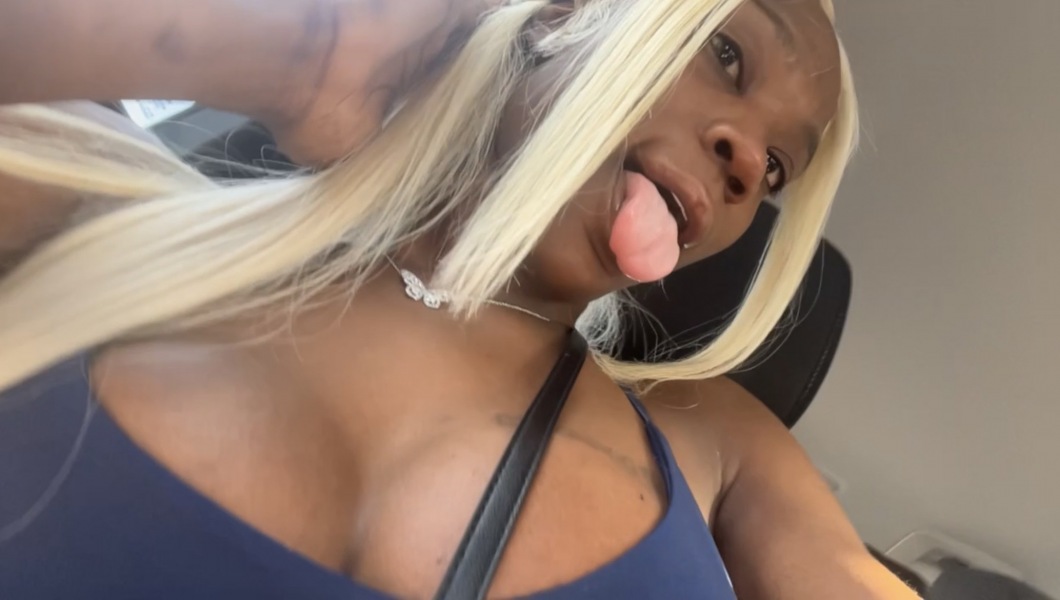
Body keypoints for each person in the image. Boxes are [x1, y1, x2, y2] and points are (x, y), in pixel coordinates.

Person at [0, 0, 918, 598]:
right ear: (565, 14)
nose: (750, 161)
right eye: (726, 53)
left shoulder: (715, 436)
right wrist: (300, 56)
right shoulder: (106, 214)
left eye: (779, 167)